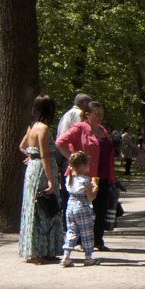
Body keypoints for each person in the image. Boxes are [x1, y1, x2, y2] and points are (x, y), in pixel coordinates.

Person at [56, 100, 118, 250]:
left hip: (101, 175)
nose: (100, 117)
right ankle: (78, 241)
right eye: (97, 114)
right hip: (83, 176)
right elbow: (60, 142)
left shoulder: (103, 130)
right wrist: (74, 160)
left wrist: (112, 176)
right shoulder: (80, 128)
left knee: (100, 208)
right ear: (87, 115)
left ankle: (97, 240)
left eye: (102, 114)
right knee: (82, 210)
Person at [17, 95, 63, 264]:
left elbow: (22, 146)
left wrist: (31, 155)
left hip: (32, 170)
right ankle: (44, 249)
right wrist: (51, 179)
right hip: (42, 171)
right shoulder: (43, 128)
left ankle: (34, 249)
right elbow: (44, 155)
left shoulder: (32, 127)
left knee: (34, 207)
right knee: (45, 208)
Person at [60, 151, 98, 268]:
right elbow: (91, 197)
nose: (88, 167)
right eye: (87, 164)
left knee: (71, 231)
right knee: (86, 232)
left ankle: (66, 256)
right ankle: (88, 257)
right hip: (83, 207)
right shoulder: (85, 180)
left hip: (70, 206)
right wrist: (95, 187)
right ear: (82, 165)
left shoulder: (69, 179)